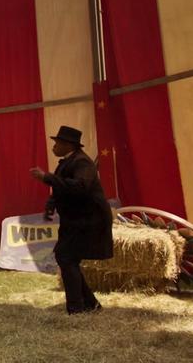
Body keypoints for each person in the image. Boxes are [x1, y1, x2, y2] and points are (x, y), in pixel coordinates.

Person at [30, 125, 113, 315]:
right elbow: (62, 188)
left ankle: (77, 308)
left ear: (68, 145)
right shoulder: (68, 162)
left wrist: (46, 177)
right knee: (67, 257)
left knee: (66, 257)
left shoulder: (82, 163)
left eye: (57, 143)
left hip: (89, 219)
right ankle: (89, 305)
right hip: (76, 219)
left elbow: (80, 187)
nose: (54, 146)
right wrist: (51, 205)